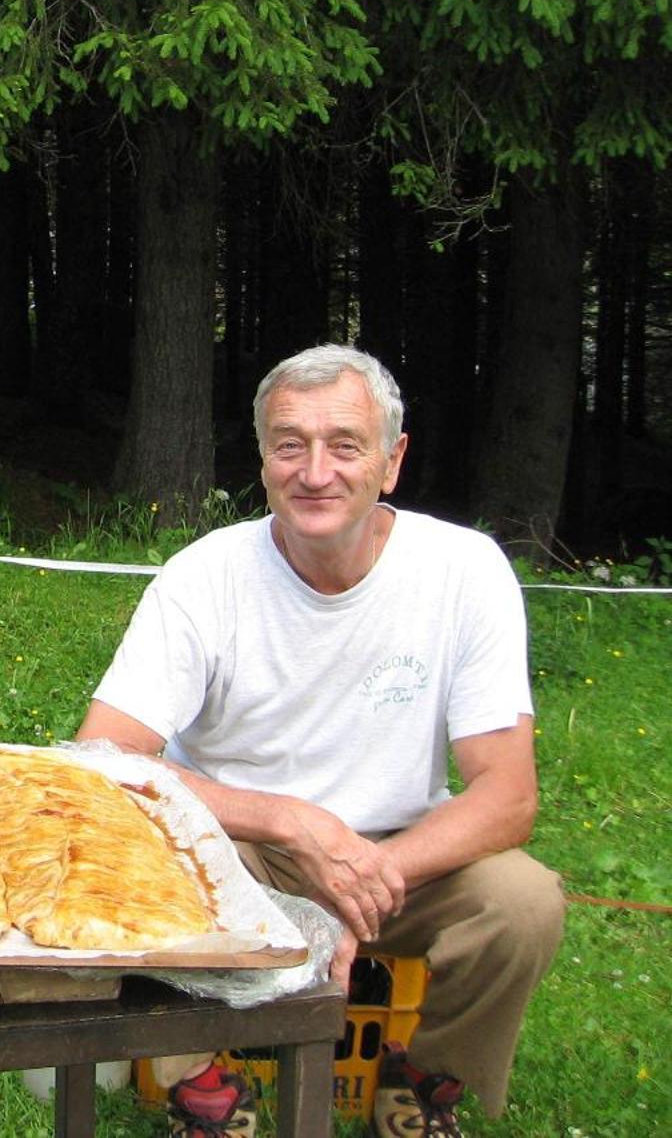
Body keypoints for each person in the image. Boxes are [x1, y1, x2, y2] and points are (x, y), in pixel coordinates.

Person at [78, 344, 563, 1138]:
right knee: (125, 855)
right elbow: (101, 758)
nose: (315, 472)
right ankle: (199, 1080)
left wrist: (367, 871)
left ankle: (427, 1076)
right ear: (263, 458)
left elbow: (507, 795)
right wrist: (290, 823)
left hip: (403, 854)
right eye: (289, 444)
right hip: (241, 846)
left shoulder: (464, 571)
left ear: (391, 460)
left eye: (344, 444)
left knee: (525, 904)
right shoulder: (204, 576)